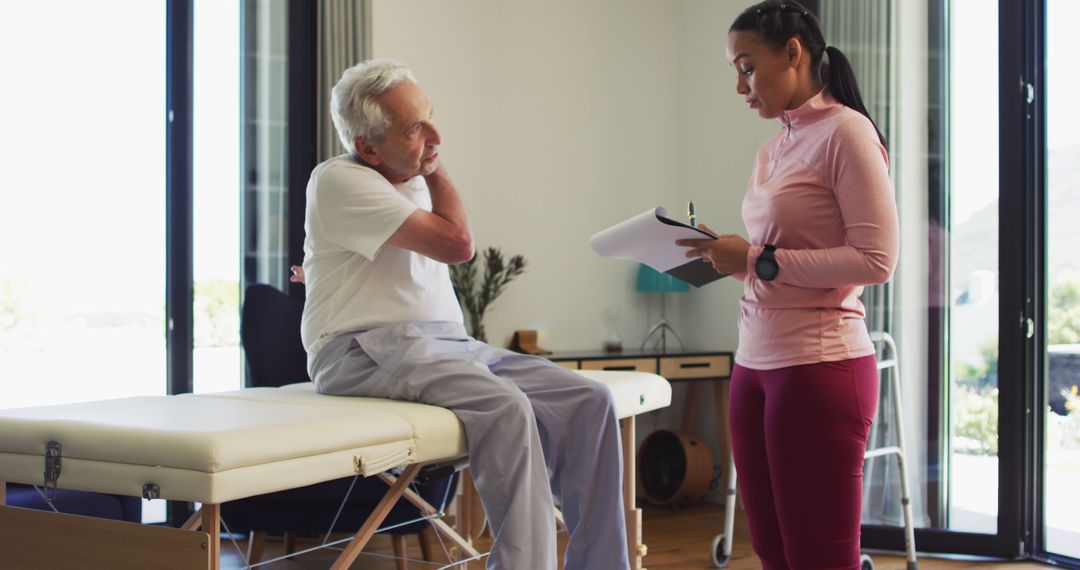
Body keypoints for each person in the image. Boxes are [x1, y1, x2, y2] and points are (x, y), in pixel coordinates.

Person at [298, 59, 629, 570]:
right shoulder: (340, 179)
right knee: (506, 407)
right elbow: (458, 246)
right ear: (367, 147)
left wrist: (419, 157)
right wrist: (433, 165)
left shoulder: (406, 177)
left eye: (430, 117)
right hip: (363, 349)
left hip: (446, 343)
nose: (435, 135)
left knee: (589, 399)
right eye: (415, 128)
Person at [676, 2, 899, 568]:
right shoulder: (772, 148)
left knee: (819, 559)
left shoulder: (847, 133)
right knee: (774, 553)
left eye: (747, 66)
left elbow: (876, 260)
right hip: (754, 365)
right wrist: (725, 256)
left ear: (793, 54)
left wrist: (754, 259)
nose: (739, 85)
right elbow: (769, 255)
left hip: (818, 366)